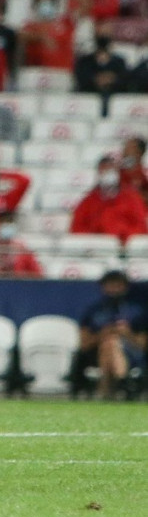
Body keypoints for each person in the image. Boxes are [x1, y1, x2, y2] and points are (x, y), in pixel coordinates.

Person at [72, 270, 146, 399]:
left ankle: (105, 388)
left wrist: (126, 334)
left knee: (111, 343)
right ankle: (121, 381)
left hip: (130, 354)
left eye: (118, 285)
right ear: (103, 287)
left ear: (125, 287)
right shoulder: (94, 312)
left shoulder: (136, 312)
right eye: (110, 285)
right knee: (109, 343)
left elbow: (142, 345)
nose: (114, 289)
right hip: (96, 353)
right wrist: (103, 334)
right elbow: (84, 344)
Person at [70, 156, 148, 243]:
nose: (108, 174)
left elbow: (141, 226)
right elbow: (77, 228)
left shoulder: (132, 199)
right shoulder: (88, 201)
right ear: (98, 174)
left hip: (125, 250)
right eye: (104, 170)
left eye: (111, 170)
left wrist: (124, 237)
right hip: (96, 249)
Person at [20, 0, 74, 70]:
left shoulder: (65, 23)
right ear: (36, 4)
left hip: (61, 75)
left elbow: (86, 4)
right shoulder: (31, 25)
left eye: (49, 1)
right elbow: (21, 36)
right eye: (42, 2)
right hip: (35, 74)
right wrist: (40, 38)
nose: (45, 5)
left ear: (55, 4)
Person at [74, 29, 128, 108]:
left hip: (114, 95)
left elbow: (125, 78)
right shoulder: (85, 61)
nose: (102, 55)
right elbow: (81, 77)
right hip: (89, 94)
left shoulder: (119, 62)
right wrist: (95, 79)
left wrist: (111, 79)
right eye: (100, 52)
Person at [118, 136, 148, 201]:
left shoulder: (144, 174)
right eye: (125, 147)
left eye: (130, 148)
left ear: (139, 152)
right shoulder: (116, 172)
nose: (125, 151)